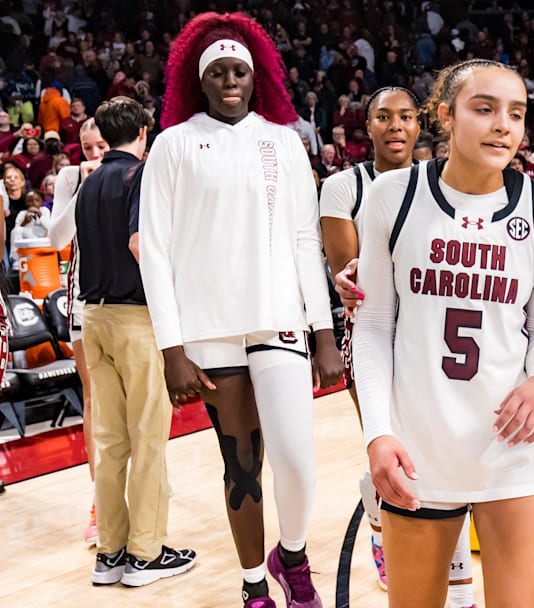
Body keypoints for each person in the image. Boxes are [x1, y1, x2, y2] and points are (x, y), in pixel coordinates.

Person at [139, 13, 343, 608]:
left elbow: (308, 239)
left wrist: (322, 330)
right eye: (219, 73)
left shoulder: (283, 138)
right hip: (208, 331)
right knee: (242, 464)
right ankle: (255, 584)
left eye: (241, 72)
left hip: (278, 318)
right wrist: (171, 348)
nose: (231, 81)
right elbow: (154, 251)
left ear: (257, 79)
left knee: (297, 462)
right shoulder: (172, 144)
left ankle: (294, 553)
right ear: (198, 81)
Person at [349, 58, 534, 608]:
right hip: (419, 450)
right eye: (484, 109)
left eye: (516, 114)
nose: (503, 126)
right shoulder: (392, 196)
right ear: (445, 115)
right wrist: (377, 433)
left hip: (512, 451)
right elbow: (373, 326)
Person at [318, 85, 477, 608]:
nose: (395, 126)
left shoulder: (443, 183)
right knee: (396, 446)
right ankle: (390, 535)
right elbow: (359, 280)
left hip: (435, 328)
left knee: (443, 454)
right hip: (373, 331)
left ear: (419, 124)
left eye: (405, 117)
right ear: (368, 126)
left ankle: (453, 581)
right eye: (383, 117)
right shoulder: (344, 186)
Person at [76, 96, 197, 588]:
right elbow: (138, 244)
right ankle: (146, 554)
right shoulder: (140, 175)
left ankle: (110, 553)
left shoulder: (87, 182)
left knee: (110, 443)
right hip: (134, 318)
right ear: (144, 131)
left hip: (93, 318)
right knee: (148, 439)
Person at [48, 116, 110, 545]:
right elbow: (56, 238)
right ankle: (99, 500)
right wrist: (84, 187)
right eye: (89, 147)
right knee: (94, 398)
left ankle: (146, 481)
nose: (96, 155)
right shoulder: (72, 176)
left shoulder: (136, 169)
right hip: (84, 299)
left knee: (142, 400)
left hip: (132, 298)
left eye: (103, 146)